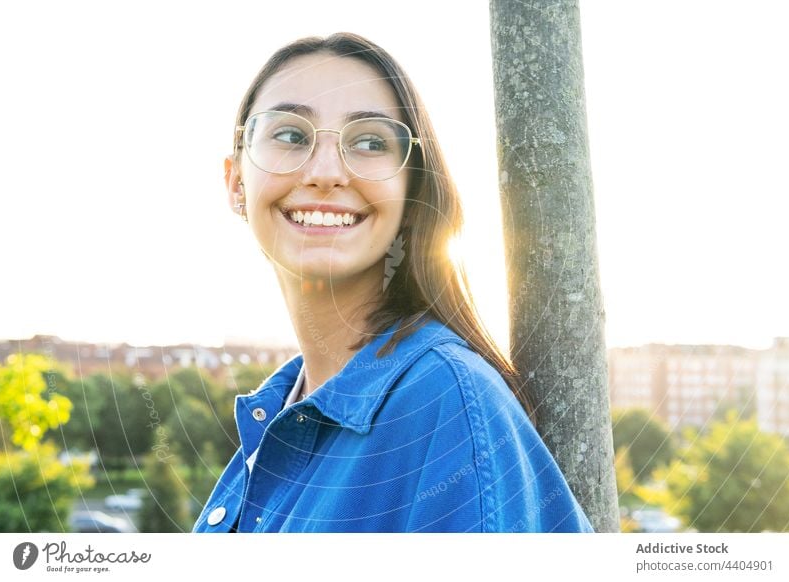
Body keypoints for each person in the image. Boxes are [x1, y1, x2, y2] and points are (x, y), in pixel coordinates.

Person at [192, 32, 593, 533]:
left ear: (412, 190)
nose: (325, 172)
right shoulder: (282, 412)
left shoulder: (445, 409)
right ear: (235, 182)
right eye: (291, 135)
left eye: (370, 142)